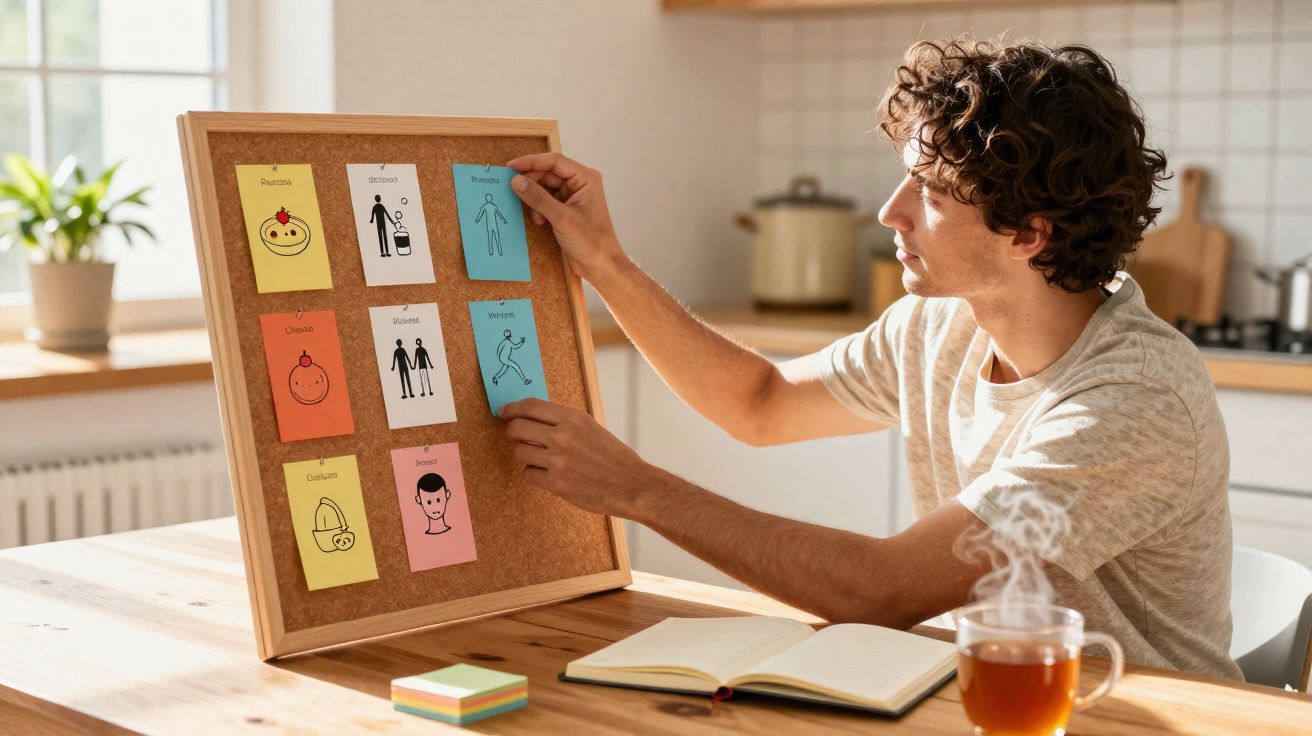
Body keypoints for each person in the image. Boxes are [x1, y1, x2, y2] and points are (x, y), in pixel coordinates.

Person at [496, 36, 1242, 680]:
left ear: (1029, 235)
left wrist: (636, 490)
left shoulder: (1133, 400)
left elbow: (878, 590)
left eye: (932, 193)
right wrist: (602, 260)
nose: (891, 211)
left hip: (1135, 714)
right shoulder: (937, 324)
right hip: (982, 694)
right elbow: (758, 403)